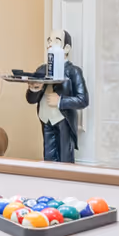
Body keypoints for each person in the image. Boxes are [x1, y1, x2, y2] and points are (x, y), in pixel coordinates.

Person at [24, 29, 89, 162]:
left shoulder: (73, 71)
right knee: (48, 155)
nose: (50, 44)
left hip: (63, 120)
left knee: (65, 157)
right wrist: (34, 90)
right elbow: (30, 99)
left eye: (56, 41)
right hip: (45, 118)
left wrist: (61, 101)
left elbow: (83, 100)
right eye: (49, 40)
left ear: (66, 48)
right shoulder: (41, 69)